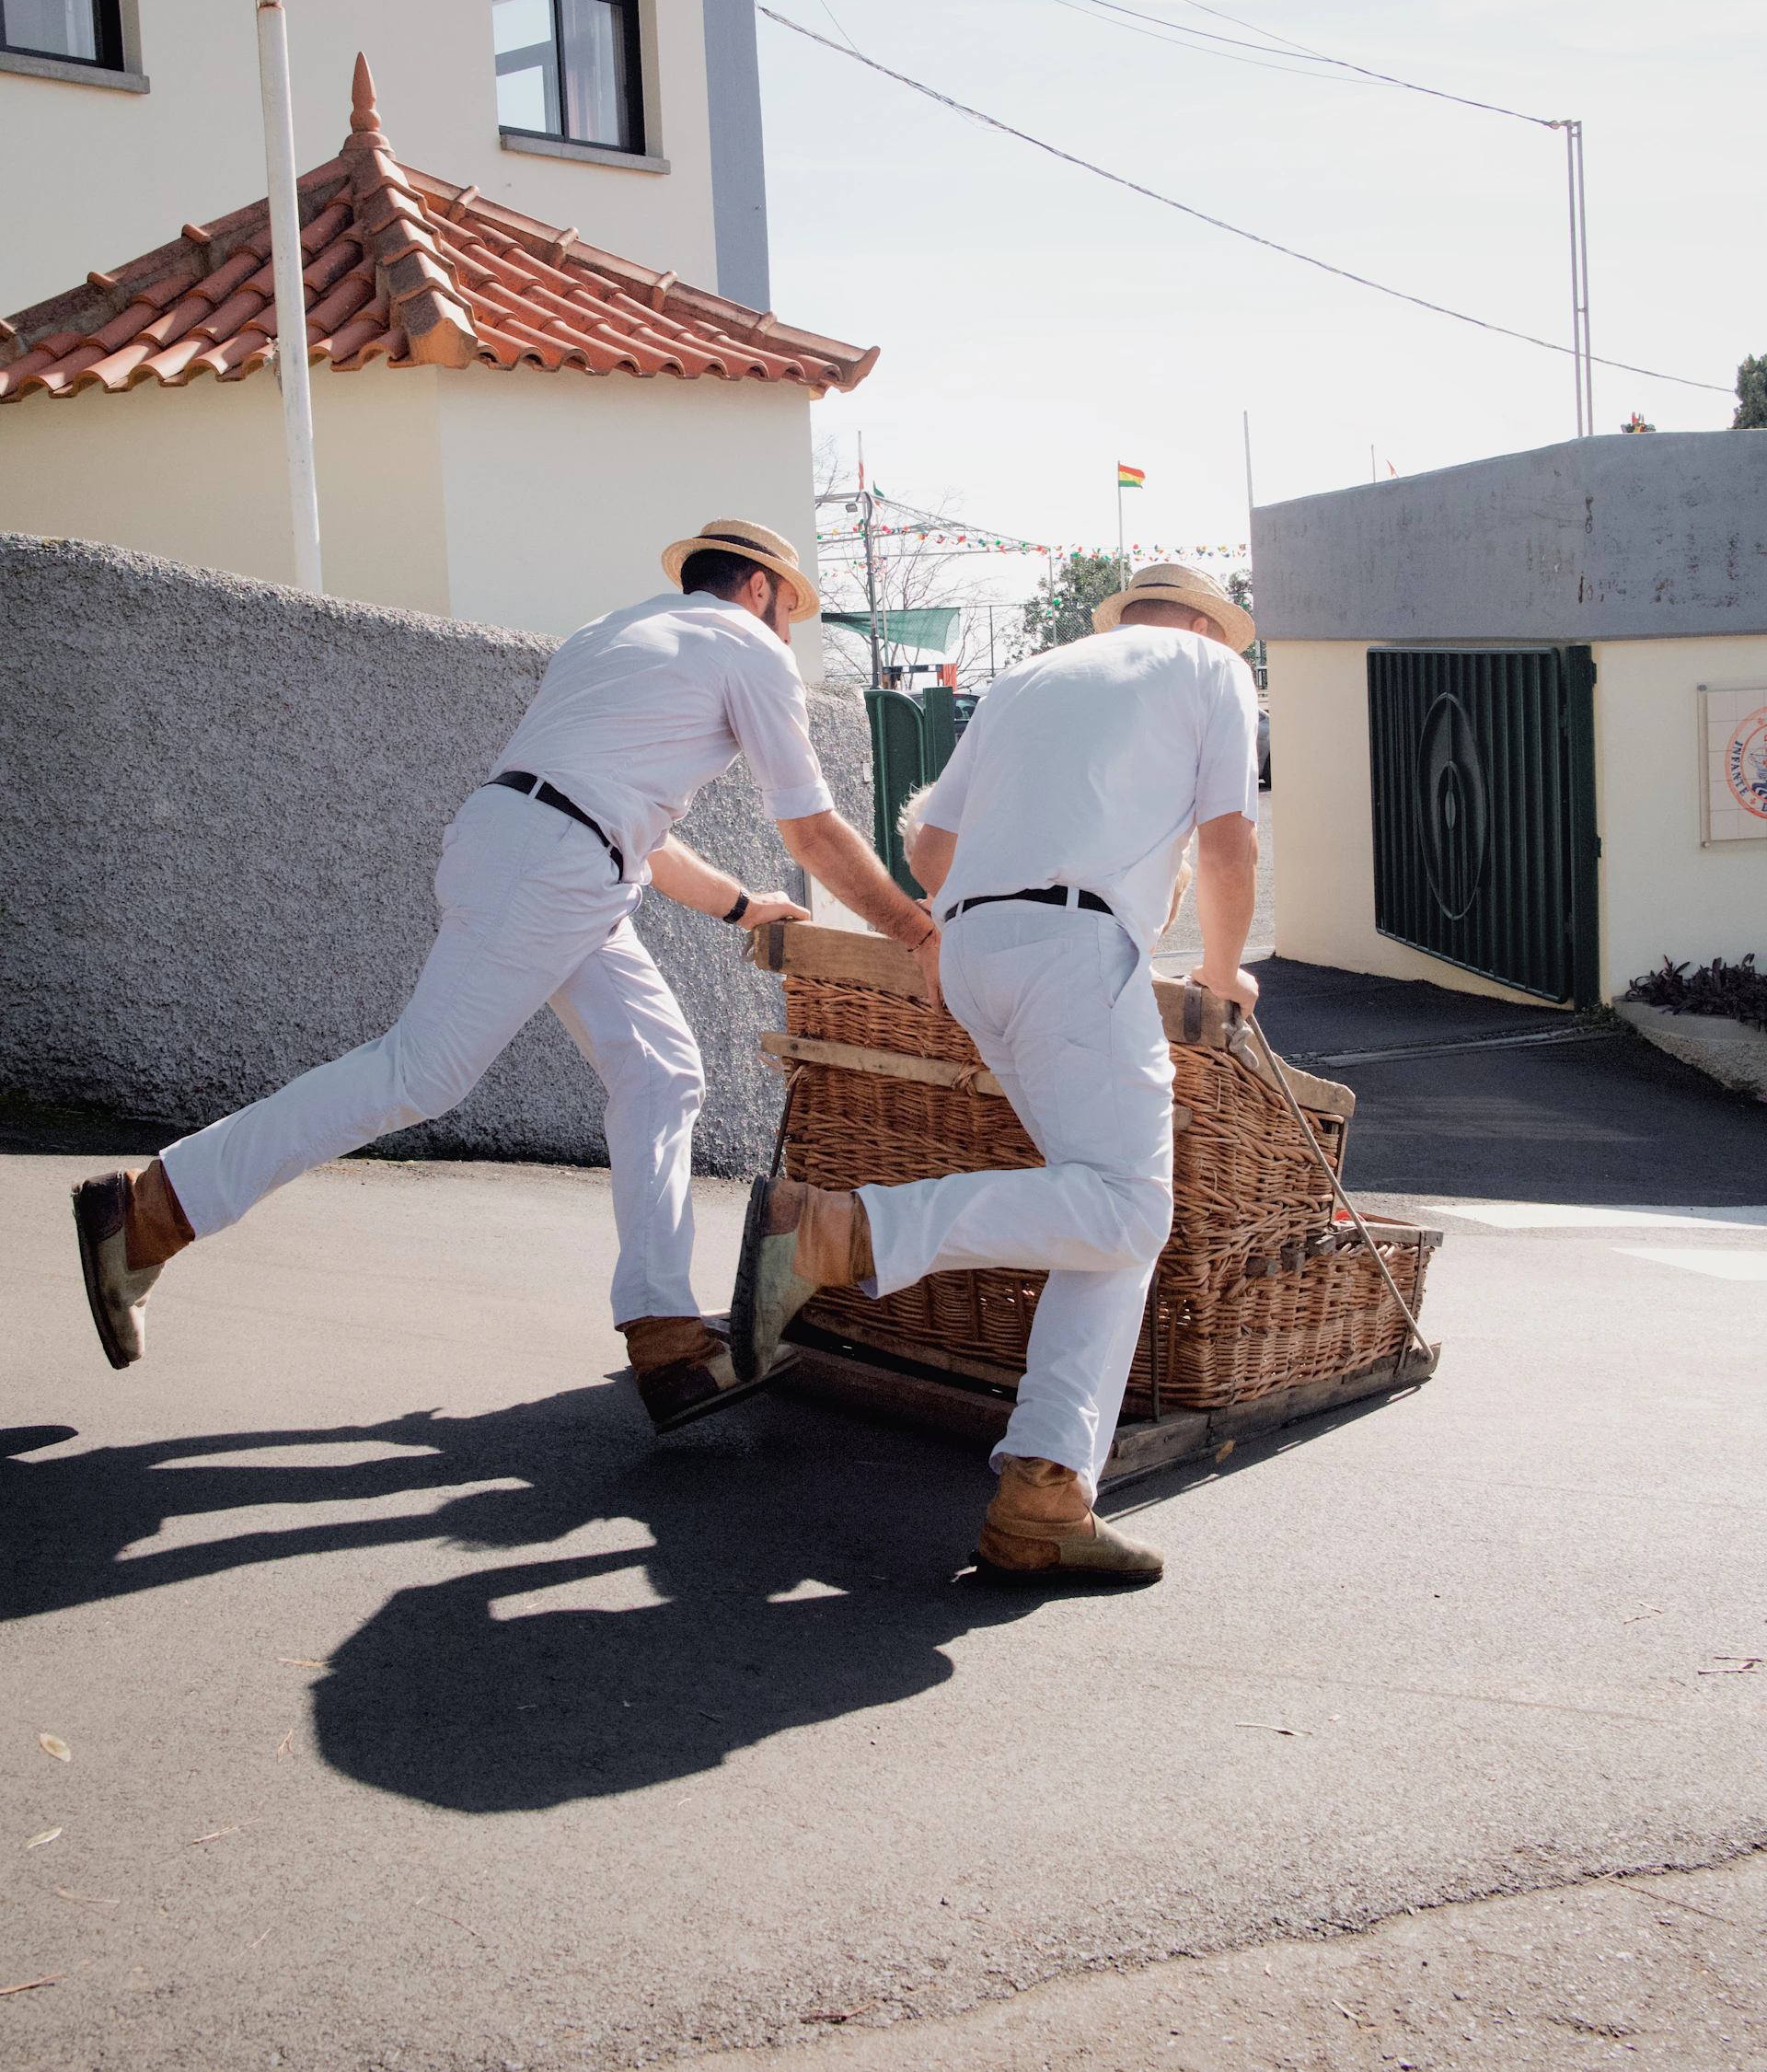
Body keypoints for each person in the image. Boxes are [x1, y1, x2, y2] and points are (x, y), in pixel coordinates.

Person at [73, 519, 941, 1432]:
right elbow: (809, 827)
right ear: (761, 589)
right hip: (560, 866)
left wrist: (736, 906)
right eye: (790, 610)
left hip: (535, 847)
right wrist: (917, 930)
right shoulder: (750, 652)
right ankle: (150, 1212)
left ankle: (668, 1342)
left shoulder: (613, 636)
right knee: (420, 1071)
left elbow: (619, 816)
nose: (787, 631)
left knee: (661, 1070)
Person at [730, 558, 1261, 1581]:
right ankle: (850, 1229)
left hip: (974, 952)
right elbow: (1230, 840)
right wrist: (1228, 975)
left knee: (1103, 1214)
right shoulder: (1209, 668)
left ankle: (1045, 1490)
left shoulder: (1032, 675)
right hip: (1073, 952)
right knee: (1128, 1209)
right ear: (1206, 624)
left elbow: (931, 851)